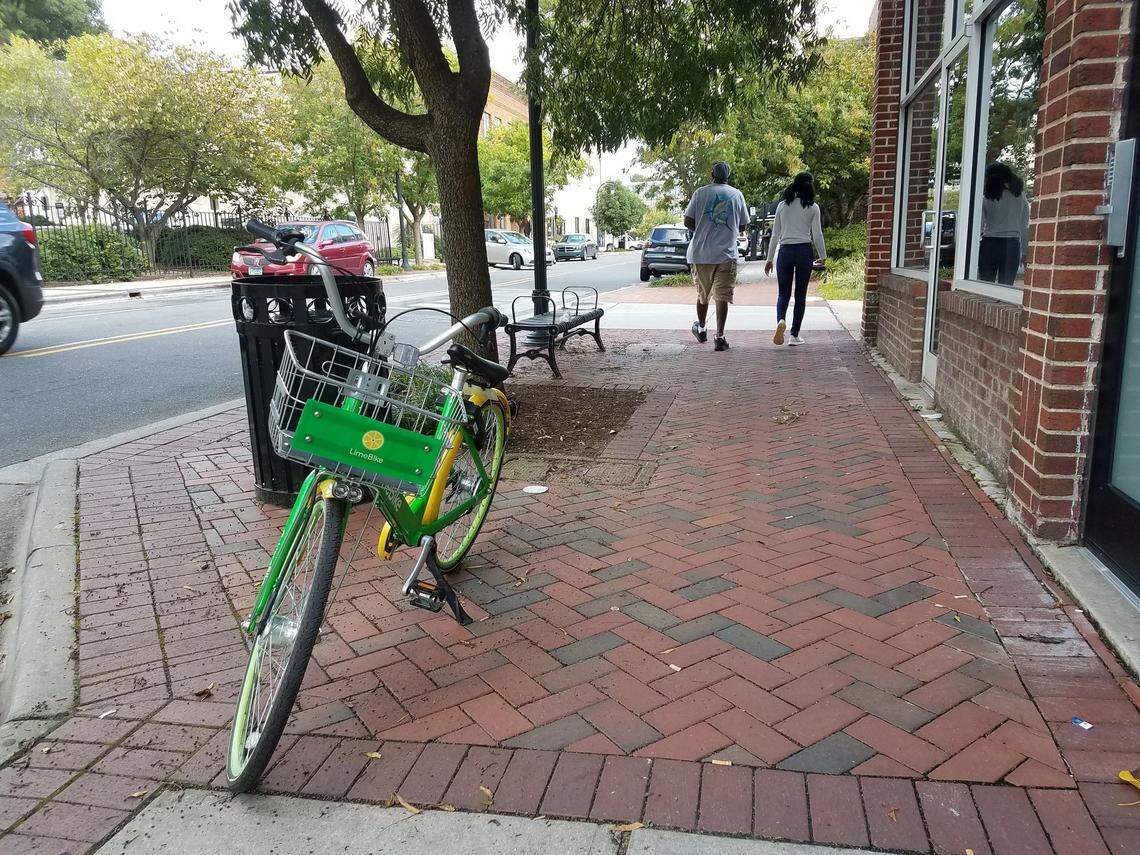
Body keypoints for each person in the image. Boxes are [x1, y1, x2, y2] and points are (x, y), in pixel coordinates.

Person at [685, 161, 749, 351]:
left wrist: (704, 227)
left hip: (701, 253)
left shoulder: (700, 193)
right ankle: (720, 337)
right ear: (728, 176)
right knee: (722, 297)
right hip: (726, 254)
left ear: (711, 173)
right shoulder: (737, 195)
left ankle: (702, 328)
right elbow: (743, 225)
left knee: (703, 296)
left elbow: (688, 220)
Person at [764, 172, 826, 346]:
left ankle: (780, 320)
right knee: (800, 296)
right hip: (804, 252)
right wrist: (823, 256)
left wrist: (769, 259)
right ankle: (794, 335)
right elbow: (817, 234)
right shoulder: (813, 207)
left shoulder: (783, 206)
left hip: (785, 252)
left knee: (783, 293)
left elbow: (775, 234)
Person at [978, 162, 1030, 286]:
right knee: (1006, 287)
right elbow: (1024, 226)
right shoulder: (1021, 197)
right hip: (1012, 244)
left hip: (989, 243)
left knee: (985, 286)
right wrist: (1025, 252)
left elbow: (978, 225)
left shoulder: (987, 197)